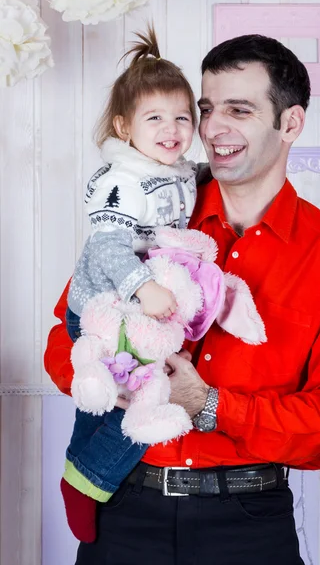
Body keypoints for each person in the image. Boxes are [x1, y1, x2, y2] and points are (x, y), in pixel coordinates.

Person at [45, 33, 320, 565]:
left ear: (290, 123)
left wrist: (209, 406)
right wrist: (114, 379)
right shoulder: (149, 209)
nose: (214, 129)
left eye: (240, 109)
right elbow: (61, 343)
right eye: (206, 109)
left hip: (247, 524)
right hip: (123, 510)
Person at [60, 27, 200, 543]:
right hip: (103, 303)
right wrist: (144, 287)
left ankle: (81, 467)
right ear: (124, 126)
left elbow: (190, 182)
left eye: (183, 117)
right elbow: (107, 246)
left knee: (105, 406)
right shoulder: (122, 177)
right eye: (155, 118)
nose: (172, 129)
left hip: (131, 303)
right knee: (141, 395)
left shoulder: (177, 168)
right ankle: (88, 479)